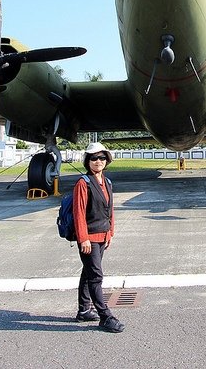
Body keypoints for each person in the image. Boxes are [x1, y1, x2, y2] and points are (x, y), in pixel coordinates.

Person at [72, 142, 125, 333]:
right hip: (89, 237)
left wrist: (110, 232)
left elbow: (110, 209)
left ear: (107, 160)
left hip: (103, 235)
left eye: (102, 157)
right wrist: (83, 238)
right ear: (87, 161)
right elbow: (78, 212)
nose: (98, 161)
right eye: (94, 158)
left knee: (88, 272)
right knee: (96, 276)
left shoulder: (107, 182)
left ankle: (84, 310)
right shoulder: (83, 183)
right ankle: (105, 316)